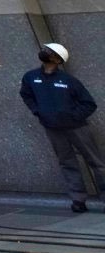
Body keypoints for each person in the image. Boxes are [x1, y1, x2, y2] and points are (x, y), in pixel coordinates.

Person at [22, 42, 102, 212]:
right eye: (44, 50)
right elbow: (26, 95)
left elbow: (89, 104)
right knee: (67, 162)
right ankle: (78, 200)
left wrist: (72, 117)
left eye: (49, 52)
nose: (44, 52)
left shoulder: (68, 80)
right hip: (52, 128)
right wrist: (39, 112)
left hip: (77, 128)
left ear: (58, 60)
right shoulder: (31, 77)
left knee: (96, 162)